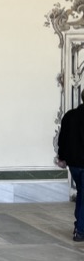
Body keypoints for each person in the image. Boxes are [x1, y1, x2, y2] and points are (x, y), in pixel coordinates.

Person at [56, 90, 84, 241]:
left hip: (73, 164)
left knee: (81, 193)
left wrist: (61, 158)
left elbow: (62, 139)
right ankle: (80, 230)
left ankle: (79, 225)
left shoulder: (70, 115)